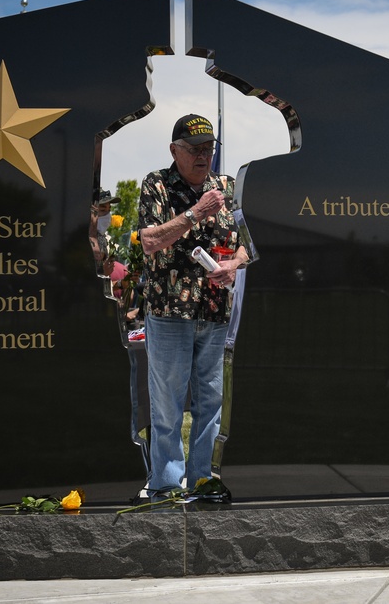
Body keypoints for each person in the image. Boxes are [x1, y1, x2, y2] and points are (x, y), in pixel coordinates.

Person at [138, 114, 248, 499]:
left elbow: (247, 241)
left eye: (208, 148)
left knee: (211, 402)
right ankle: (166, 484)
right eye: (194, 149)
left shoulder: (228, 187)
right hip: (169, 313)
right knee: (167, 404)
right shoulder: (156, 185)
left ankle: (202, 479)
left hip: (215, 311)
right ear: (174, 151)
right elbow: (149, 241)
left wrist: (235, 264)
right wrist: (195, 213)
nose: (204, 156)